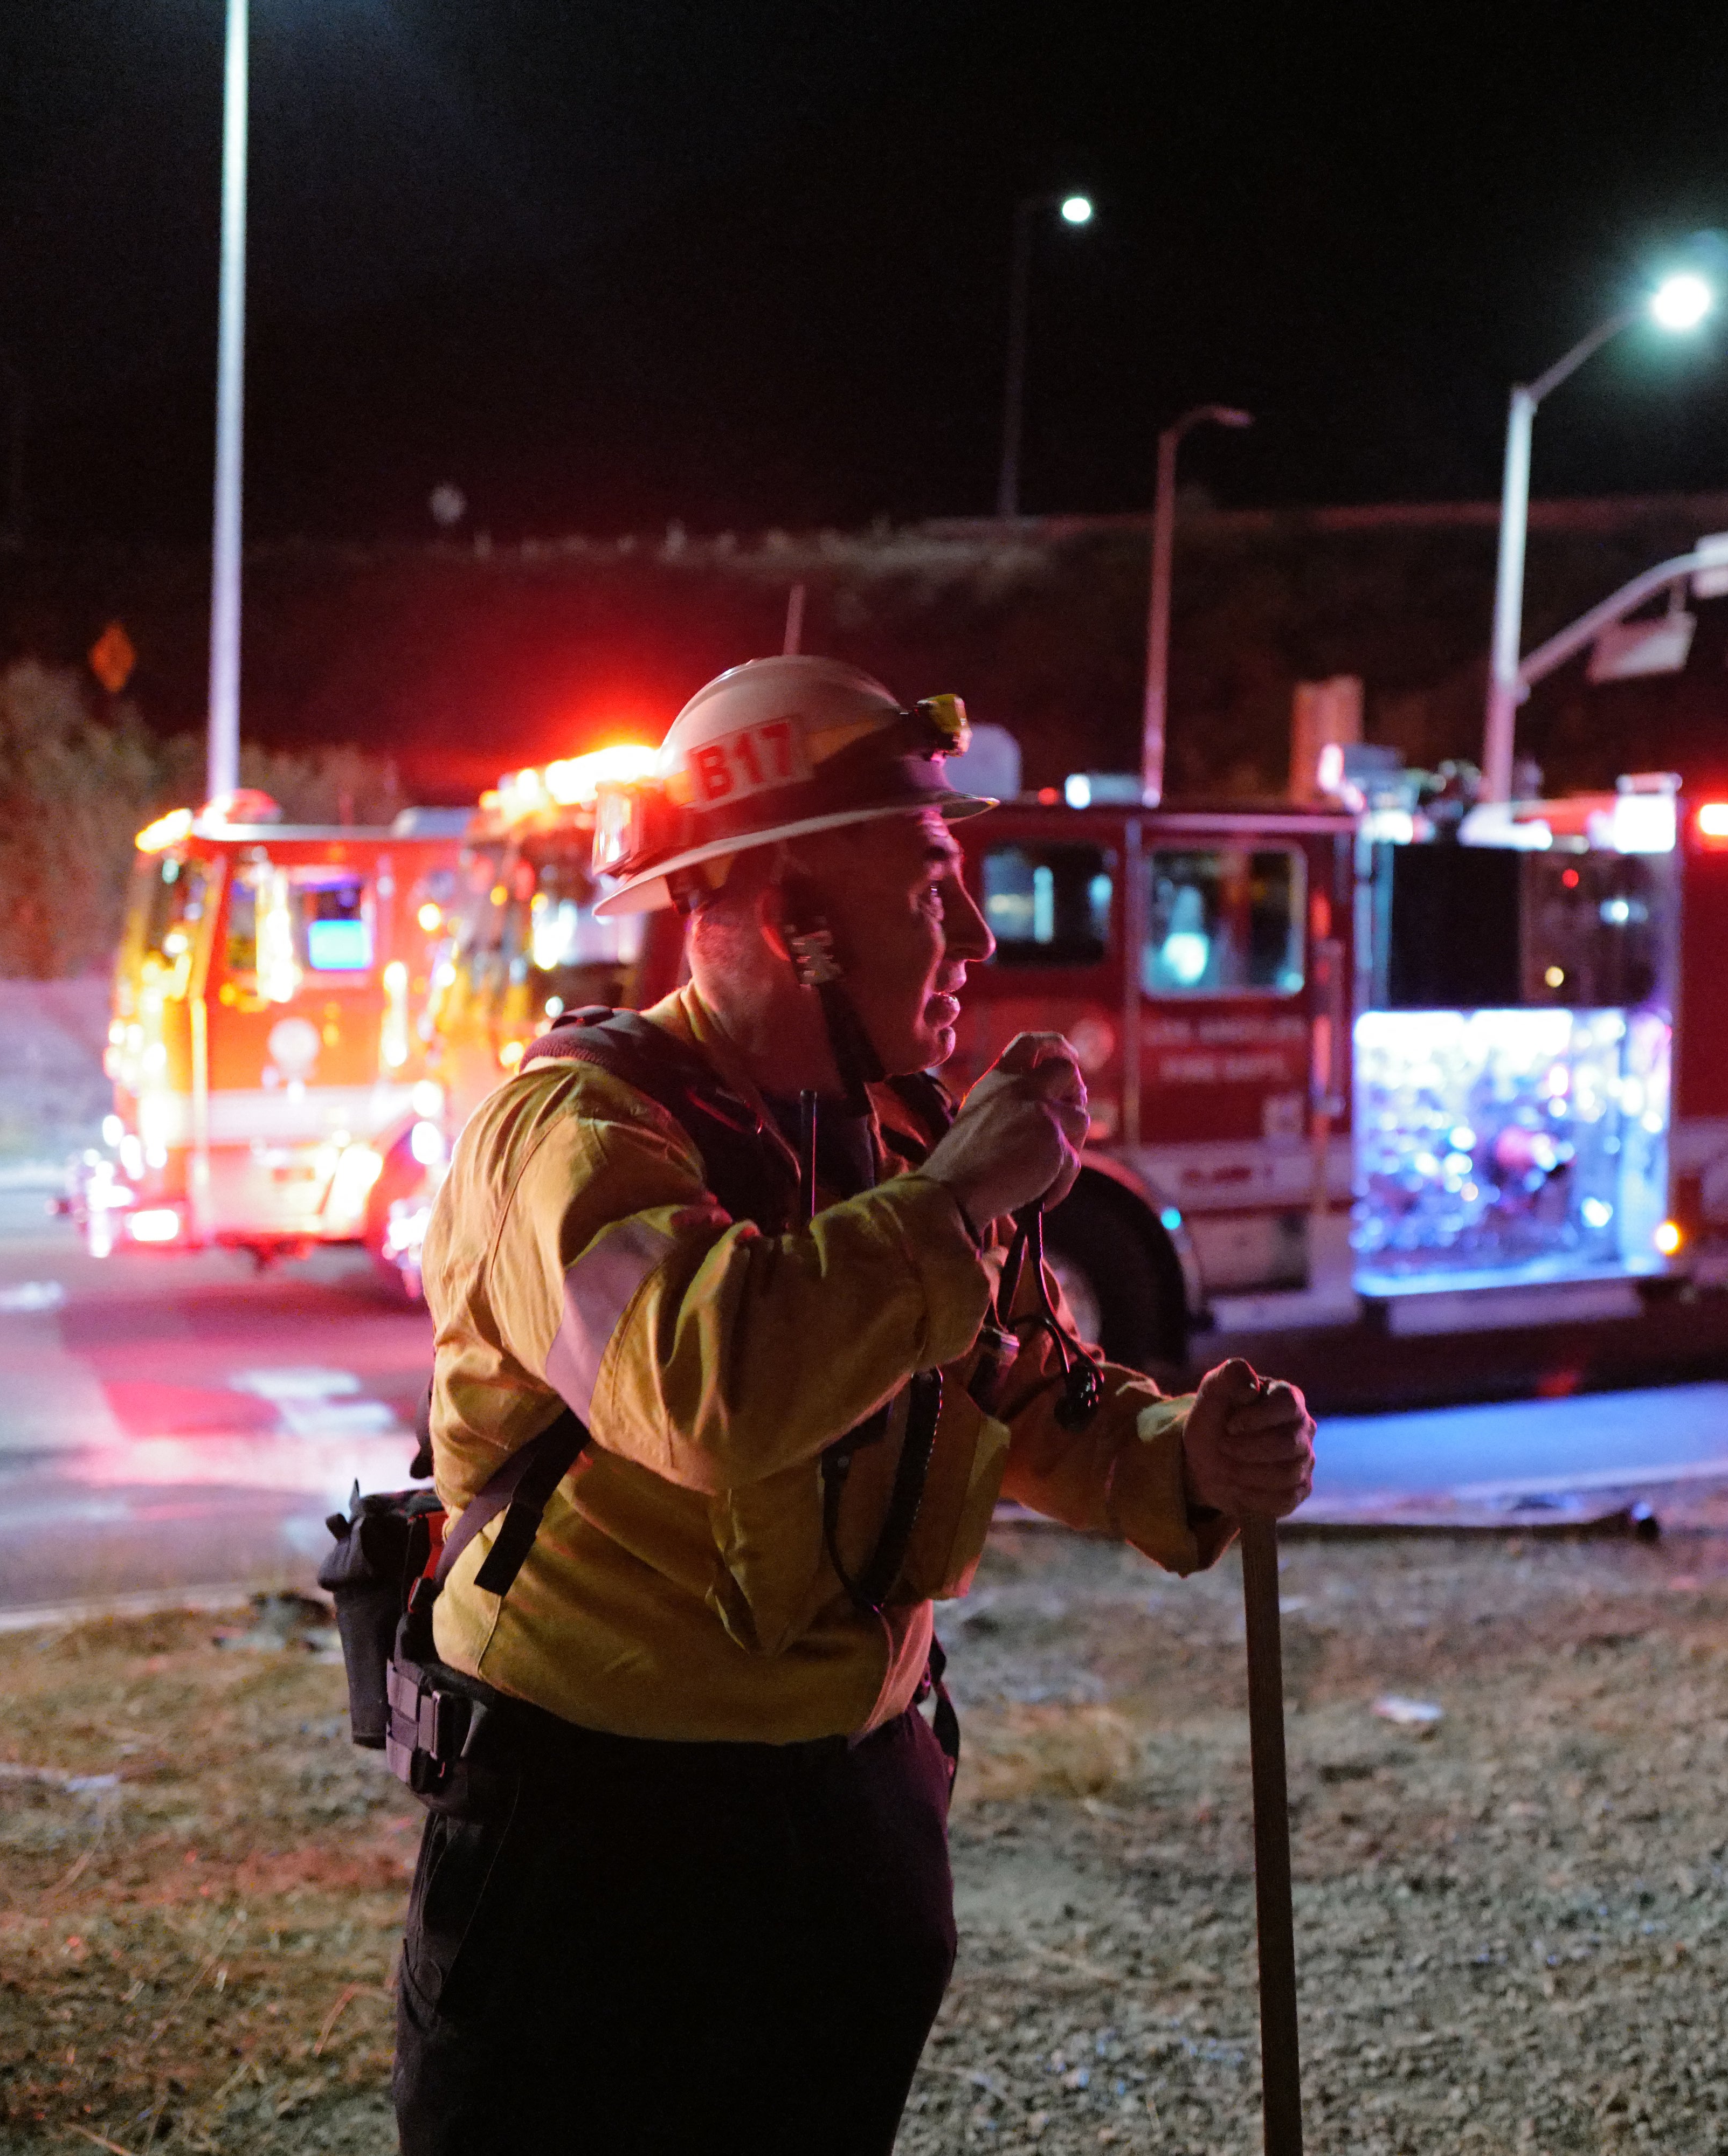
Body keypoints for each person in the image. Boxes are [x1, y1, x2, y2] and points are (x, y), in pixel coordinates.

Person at [391, 655, 1316, 2155]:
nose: (975, 931)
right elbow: (709, 1385)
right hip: (591, 1862)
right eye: (928, 886)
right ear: (790, 922)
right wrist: (952, 1208)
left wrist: (1182, 1454)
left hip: (843, 1837)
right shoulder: (568, 1140)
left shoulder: (895, 1141)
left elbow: (1024, 1391)